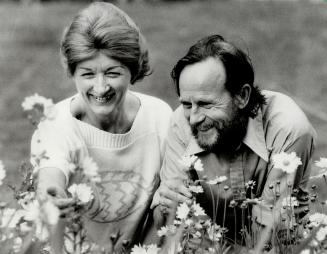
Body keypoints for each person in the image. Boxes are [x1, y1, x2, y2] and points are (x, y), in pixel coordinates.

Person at [30, 2, 172, 253]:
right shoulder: (56, 123)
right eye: (87, 74)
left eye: (112, 72)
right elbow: (50, 174)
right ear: (72, 73)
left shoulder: (158, 118)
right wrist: (51, 195)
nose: (100, 87)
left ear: (132, 70)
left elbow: (170, 202)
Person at [153, 34, 316, 245]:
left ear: (242, 96)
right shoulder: (180, 123)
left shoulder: (288, 129)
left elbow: (269, 237)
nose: (194, 118)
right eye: (186, 104)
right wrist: (167, 207)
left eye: (206, 104)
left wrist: (206, 242)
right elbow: (166, 225)